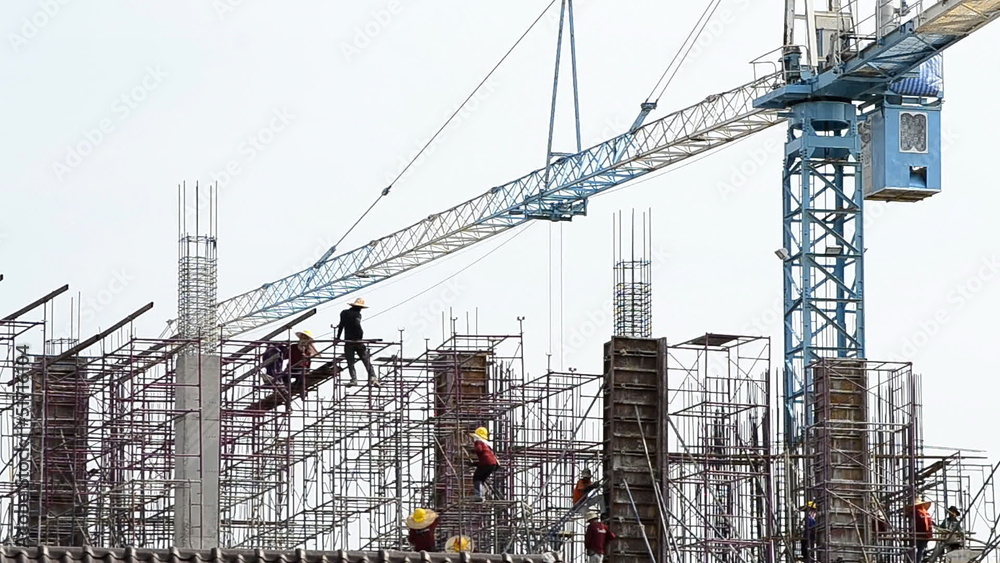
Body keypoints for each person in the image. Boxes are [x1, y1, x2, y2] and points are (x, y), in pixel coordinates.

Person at [334, 298, 379, 387]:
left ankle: (354, 379)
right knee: (365, 359)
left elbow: (341, 325)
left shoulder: (344, 313)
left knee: (350, 362)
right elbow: (357, 325)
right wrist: (360, 337)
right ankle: (373, 377)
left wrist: (338, 338)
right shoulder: (357, 314)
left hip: (348, 341)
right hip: (357, 341)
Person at [468, 426, 498, 502]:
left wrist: (472, 450)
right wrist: (475, 464)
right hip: (492, 464)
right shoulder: (487, 445)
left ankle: (479, 496)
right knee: (481, 479)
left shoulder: (479, 441)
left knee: (477, 478)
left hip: (486, 463)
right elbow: (486, 458)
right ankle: (482, 495)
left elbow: (479, 449)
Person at [909, 498, 934, 563]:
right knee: (921, 550)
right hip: (927, 535)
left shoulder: (916, 513)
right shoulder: (927, 514)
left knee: (913, 550)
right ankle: (919, 561)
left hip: (918, 535)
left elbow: (914, 524)